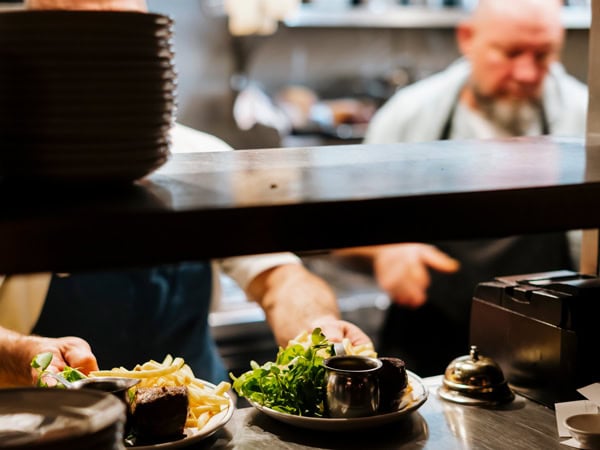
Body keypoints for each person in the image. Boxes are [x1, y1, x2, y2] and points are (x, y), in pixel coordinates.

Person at [0, 123, 371, 387]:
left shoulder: (201, 157)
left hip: (200, 413)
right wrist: (23, 355)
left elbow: (279, 276)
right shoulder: (15, 165)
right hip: (56, 423)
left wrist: (315, 331)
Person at [335, 0, 587, 376]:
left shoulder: (582, 115)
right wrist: (384, 250)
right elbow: (340, 229)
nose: (527, 72)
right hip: (429, 342)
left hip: (550, 345)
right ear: (467, 38)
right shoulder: (411, 115)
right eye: (511, 52)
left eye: (543, 54)